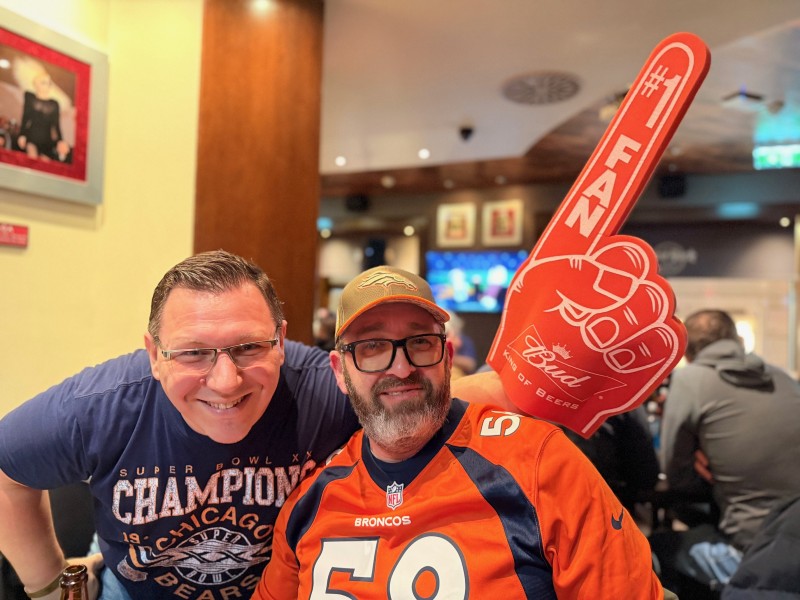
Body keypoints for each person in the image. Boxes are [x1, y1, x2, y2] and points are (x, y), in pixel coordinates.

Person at [0, 251, 503, 600]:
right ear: (154, 355)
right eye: (193, 353)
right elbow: (6, 474)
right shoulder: (101, 406)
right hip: (132, 588)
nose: (225, 382)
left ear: (279, 341)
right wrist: (48, 586)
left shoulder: (326, 386)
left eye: (249, 348)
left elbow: (457, 392)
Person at [252, 265, 668, 599]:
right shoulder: (309, 503)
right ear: (339, 372)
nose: (402, 368)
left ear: (447, 357)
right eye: (371, 347)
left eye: (420, 342)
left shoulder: (540, 464)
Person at [654, 309, 800, 593]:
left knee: (656, 548)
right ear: (736, 339)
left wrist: (710, 467)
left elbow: (676, 475)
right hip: (792, 541)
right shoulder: (783, 379)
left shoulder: (689, 380)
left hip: (752, 556)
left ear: (687, 352)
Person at [16, 71, 70, 162]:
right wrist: (22, 135)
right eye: (43, 82)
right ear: (36, 84)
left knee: (45, 165)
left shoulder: (54, 103)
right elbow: (25, 117)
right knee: (32, 160)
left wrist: (60, 141)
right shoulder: (29, 97)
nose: (47, 85)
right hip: (32, 137)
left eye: (49, 83)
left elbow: (56, 125)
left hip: (47, 142)